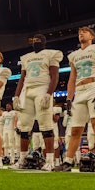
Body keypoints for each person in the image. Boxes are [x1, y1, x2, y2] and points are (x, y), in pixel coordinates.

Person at [54, 26, 95, 173]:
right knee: (75, 129)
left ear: (91, 36)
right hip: (80, 90)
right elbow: (72, 78)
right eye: (79, 33)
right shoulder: (74, 55)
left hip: (94, 86)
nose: (81, 34)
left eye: (84, 32)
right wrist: (69, 98)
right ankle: (68, 161)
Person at [11, 34, 63, 171]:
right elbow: (22, 78)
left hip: (42, 88)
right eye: (33, 40)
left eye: (38, 41)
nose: (36, 42)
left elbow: (55, 75)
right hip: (27, 90)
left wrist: (49, 93)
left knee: (46, 125)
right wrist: (16, 96)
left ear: (44, 42)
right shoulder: (26, 57)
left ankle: (50, 160)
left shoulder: (51, 54)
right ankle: (22, 159)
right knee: (24, 127)